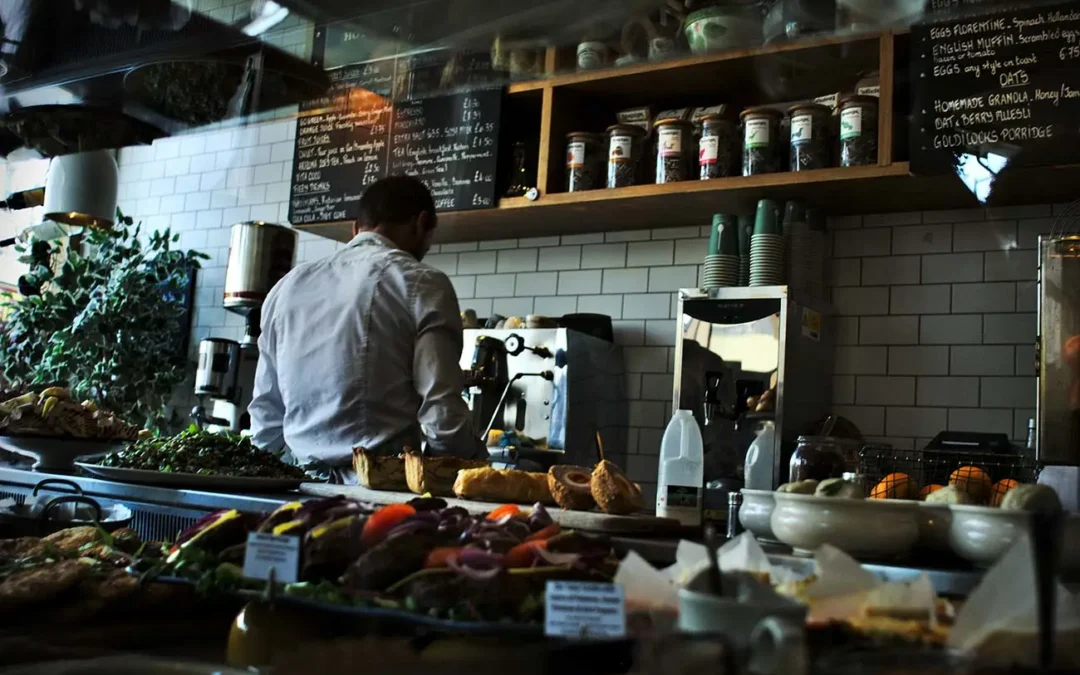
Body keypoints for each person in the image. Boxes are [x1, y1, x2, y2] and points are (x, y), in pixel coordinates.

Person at [249, 175, 485, 481]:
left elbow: (267, 411)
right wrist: (463, 469)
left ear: (355, 228)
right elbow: (442, 414)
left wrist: (266, 484)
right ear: (422, 223)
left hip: (298, 487)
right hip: (380, 492)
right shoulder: (422, 283)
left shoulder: (287, 287)